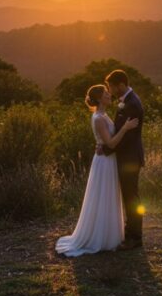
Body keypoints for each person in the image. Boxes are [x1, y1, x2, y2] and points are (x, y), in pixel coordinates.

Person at [55, 84, 139, 257]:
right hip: (104, 162)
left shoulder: (104, 114)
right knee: (103, 196)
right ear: (99, 98)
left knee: (108, 196)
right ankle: (100, 237)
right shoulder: (98, 118)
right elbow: (111, 144)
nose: (109, 94)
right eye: (106, 93)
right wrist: (125, 128)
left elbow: (106, 143)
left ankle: (109, 234)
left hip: (109, 160)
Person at [98, 69, 145, 250]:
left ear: (121, 85)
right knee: (129, 196)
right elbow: (120, 131)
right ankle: (131, 233)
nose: (109, 90)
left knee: (131, 197)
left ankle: (135, 238)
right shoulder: (126, 101)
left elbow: (126, 137)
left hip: (130, 158)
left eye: (111, 86)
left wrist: (107, 149)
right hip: (127, 157)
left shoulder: (132, 104)